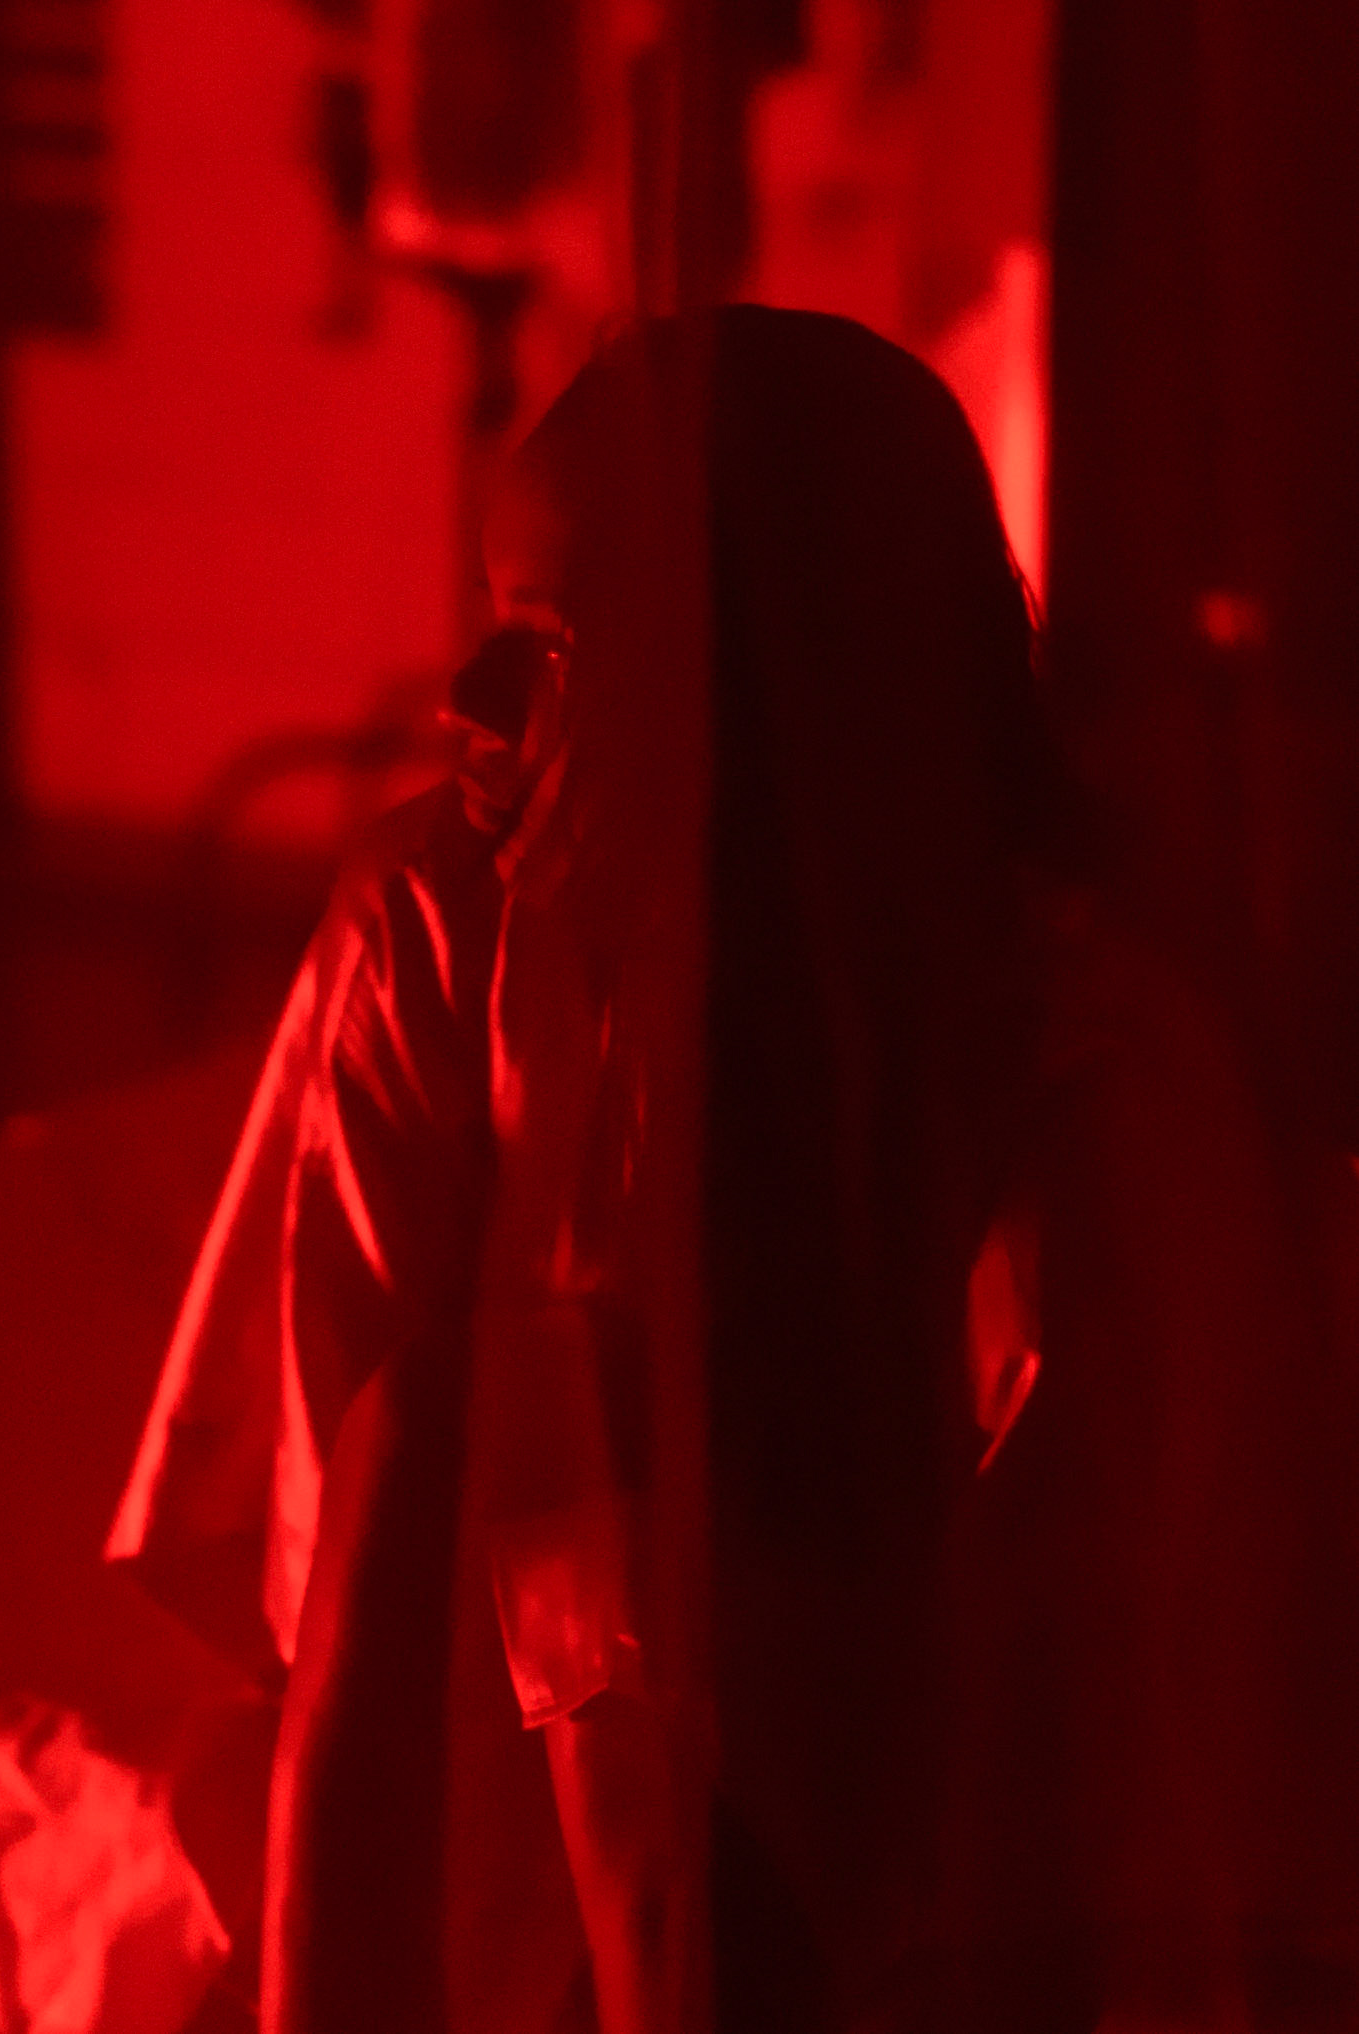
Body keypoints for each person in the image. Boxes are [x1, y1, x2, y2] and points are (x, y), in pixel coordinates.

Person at [447, 305, 1068, 2034]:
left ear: (771, 699)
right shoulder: (559, 994)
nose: (467, 706)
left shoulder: (1060, 1097)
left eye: (553, 641)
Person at [104, 619, 587, 2034]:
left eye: (565, 633)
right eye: (504, 621)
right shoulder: (434, 905)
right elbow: (348, 1428)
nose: (469, 703)